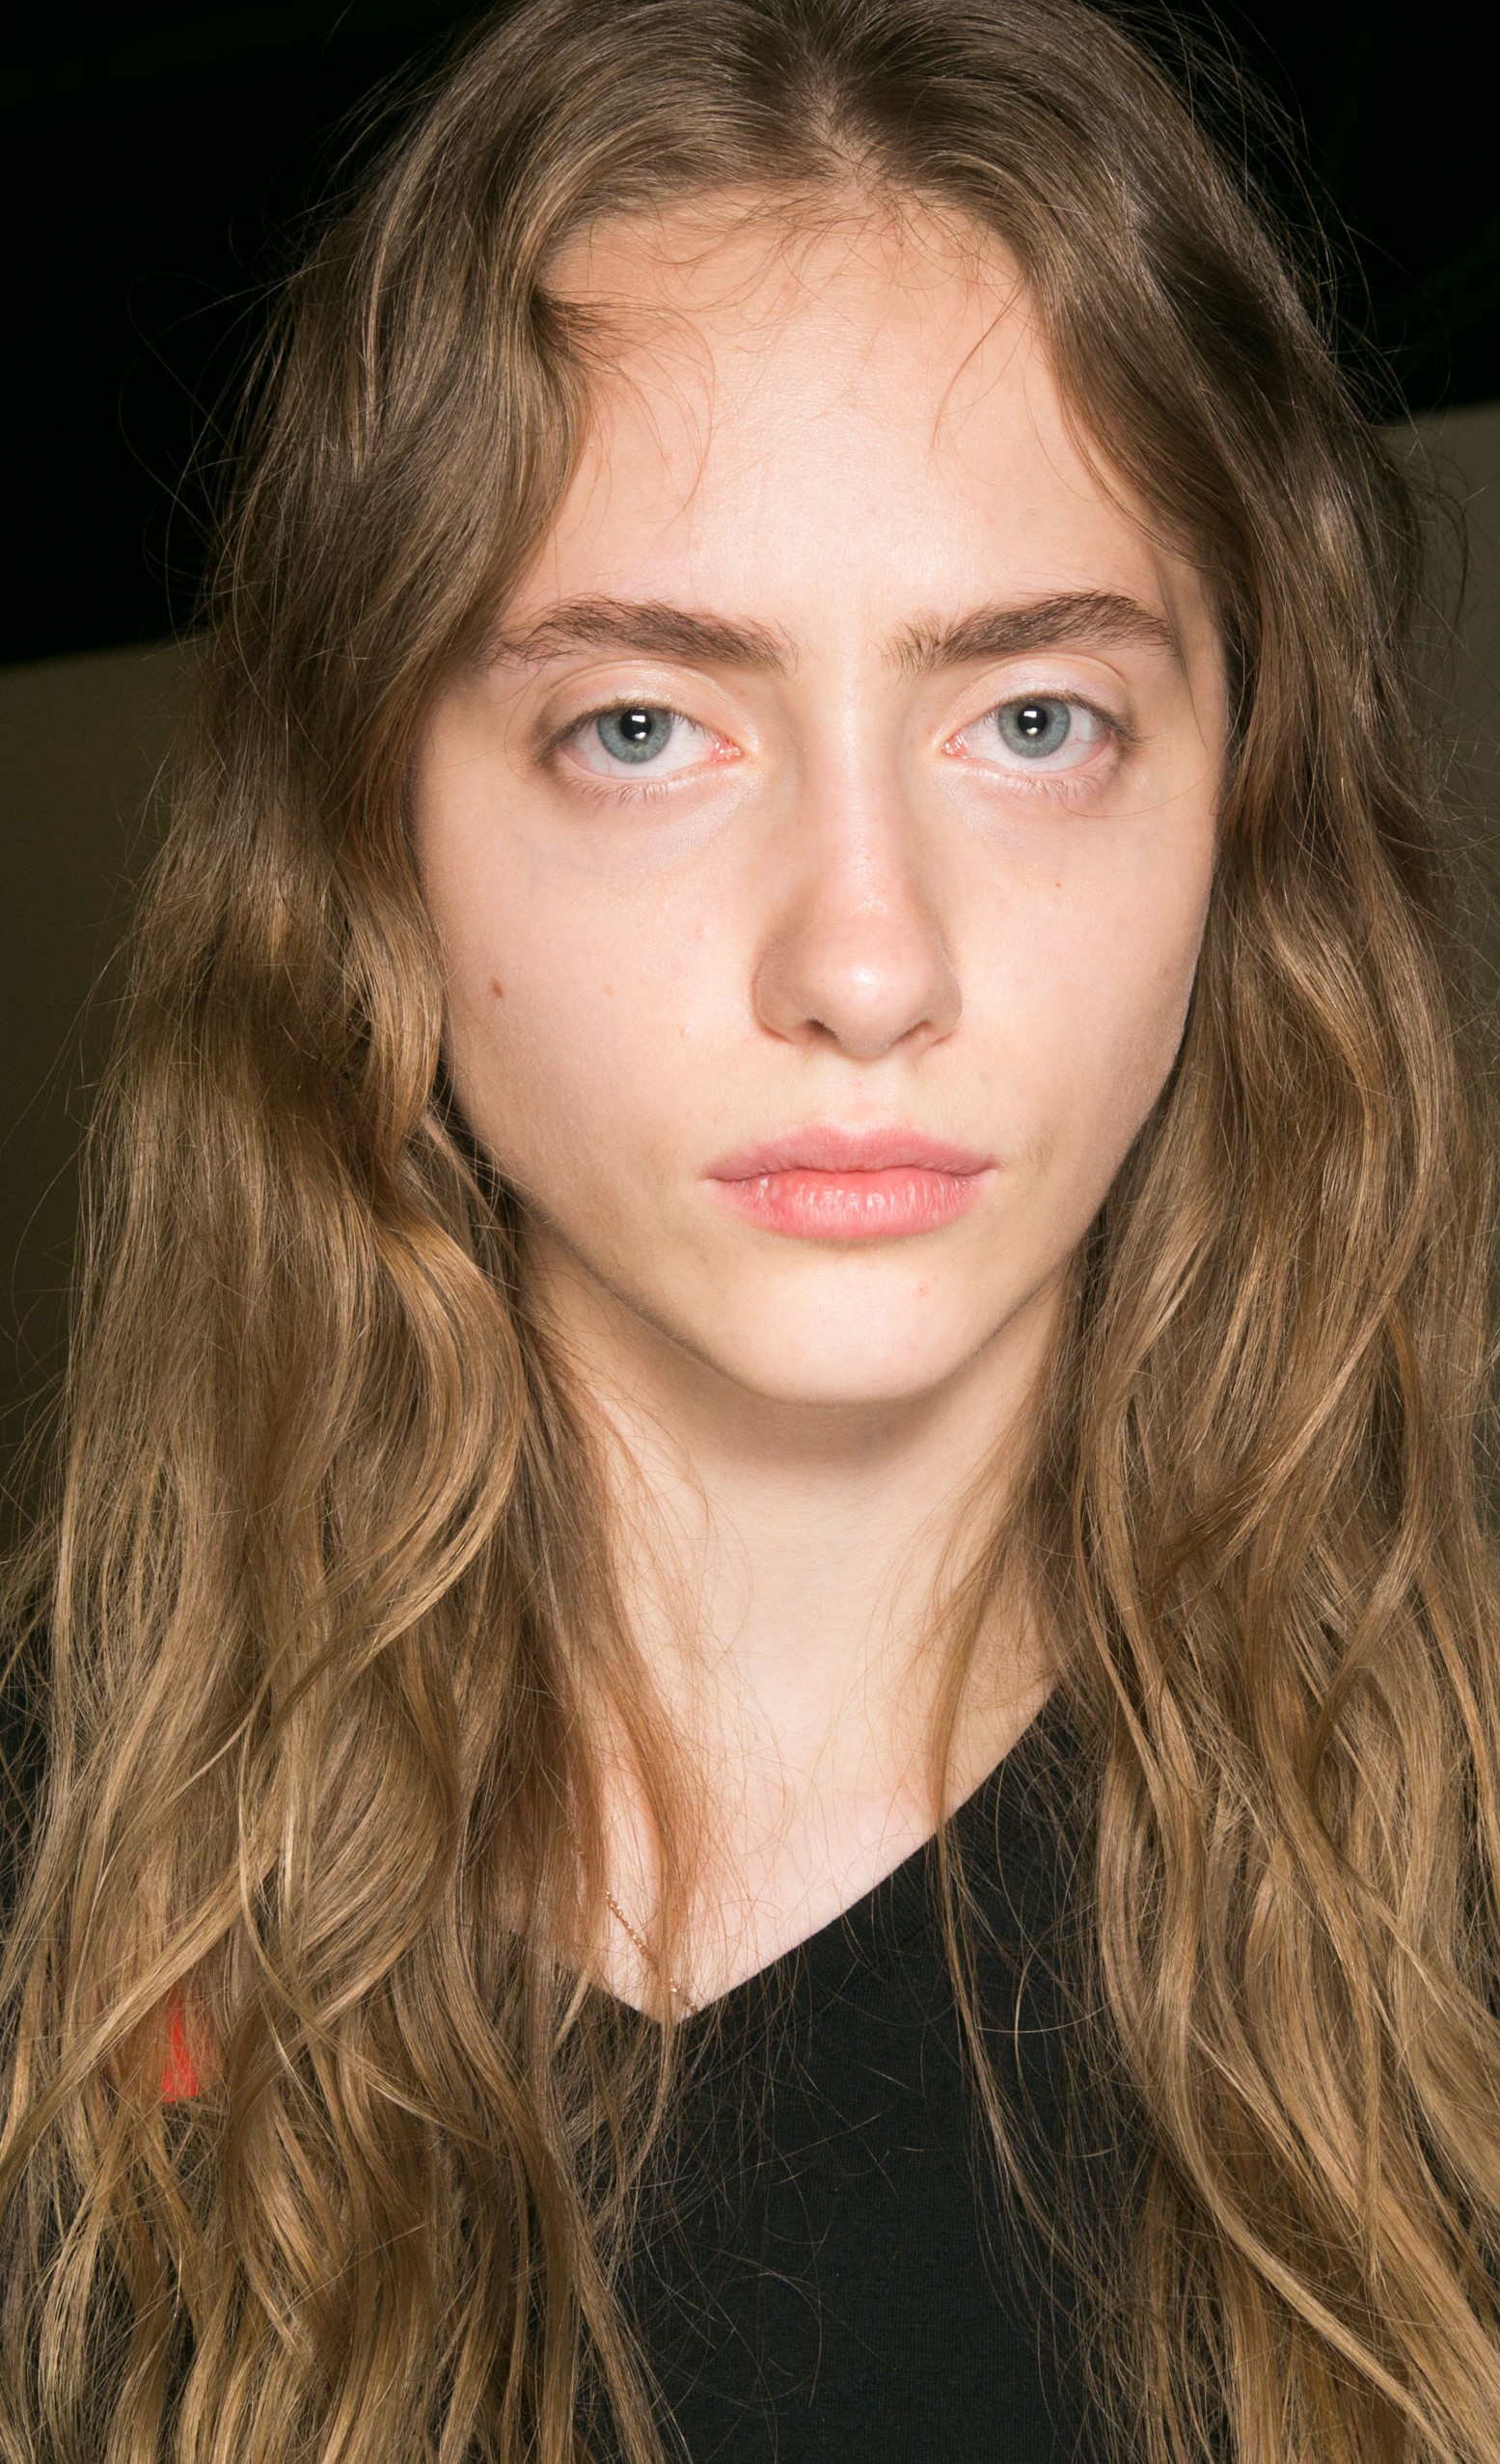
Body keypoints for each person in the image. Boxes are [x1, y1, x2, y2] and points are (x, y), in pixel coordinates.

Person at [4, 0, 1500, 2456]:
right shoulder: (48, 1897)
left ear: (1247, 804)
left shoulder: (1453, 1897)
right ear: (373, 830)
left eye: (1032, 722)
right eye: (642, 730)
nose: (866, 964)